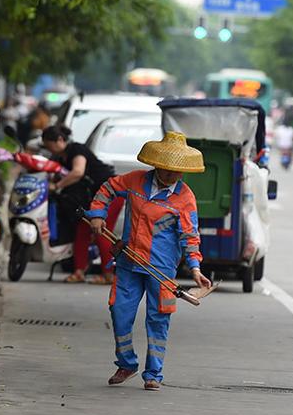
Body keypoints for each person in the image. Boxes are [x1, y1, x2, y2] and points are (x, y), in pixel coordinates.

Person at [86, 131, 211, 391]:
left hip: (162, 270)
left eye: (177, 171)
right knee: (119, 311)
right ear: (157, 165)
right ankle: (126, 363)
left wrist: (196, 268)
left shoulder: (185, 198)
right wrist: (98, 213)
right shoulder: (134, 181)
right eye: (167, 170)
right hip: (129, 263)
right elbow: (108, 189)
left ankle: (153, 373)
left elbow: (190, 235)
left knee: (158, 319)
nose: (172, 176)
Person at [41, 125, 123, 284]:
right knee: (82, 231)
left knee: (101, 231)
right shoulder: (60, 158)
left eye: (48, 144)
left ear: (59, 140)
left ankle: (109, 275)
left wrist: (58, 186)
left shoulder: (76, 150)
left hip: (111, 194)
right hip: (93, 198)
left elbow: (78, 172)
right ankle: (79, 271)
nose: (48, 148)